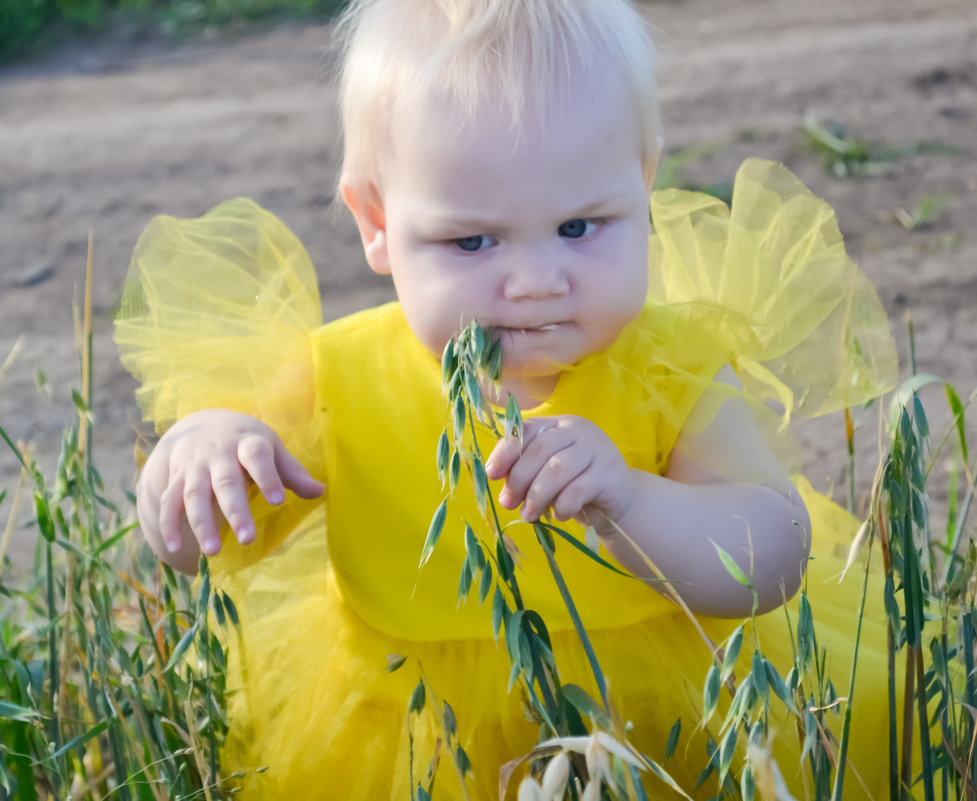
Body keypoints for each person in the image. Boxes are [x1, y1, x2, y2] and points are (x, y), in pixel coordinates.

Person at [115, 0, 898, 798]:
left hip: (661, 726)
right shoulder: (337, 378)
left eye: (579, 226)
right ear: (377, 222)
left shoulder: (669, 364)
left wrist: (629, 501)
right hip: (421, 744)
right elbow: (193, 547)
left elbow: (773, 554)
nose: (532, 281)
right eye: (473, 241)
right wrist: (197, 457)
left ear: (644, 181)